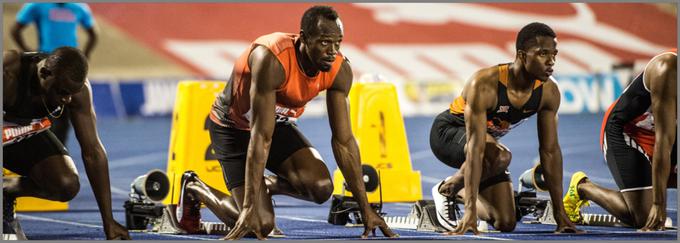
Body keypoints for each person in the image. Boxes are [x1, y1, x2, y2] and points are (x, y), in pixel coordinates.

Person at [175, 5, 397, 240]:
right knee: (260, 225)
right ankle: (194, 187)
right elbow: (261, 137)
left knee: (321, 187)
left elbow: (344, 141)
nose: (332, 51)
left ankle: (264, 188)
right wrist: (250, 208)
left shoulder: (339, 70)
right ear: (304, 39)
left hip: (276, 124)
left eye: (337, 43)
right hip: (233, 129)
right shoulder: (271, 58)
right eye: (324, 43)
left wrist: (366, 209)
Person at [428, 22, 582, 234]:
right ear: (521, 55)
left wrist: (560, 214)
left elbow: (550, 151)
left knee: (505, 222)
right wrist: (470, 212)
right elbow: (476, 148)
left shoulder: (549, 92)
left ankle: (453, 189)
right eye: (543, 54)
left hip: (487, 149)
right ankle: (452, 187)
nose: (551, 61)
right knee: (500, 156)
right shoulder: (484, 83)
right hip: (449, 134)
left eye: (554, 54)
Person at [2, 47, 129, 240]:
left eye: (71, 93)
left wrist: (108, 221)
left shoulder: (77, 91)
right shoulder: (8, 73)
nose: (67, 100)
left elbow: (92, 151)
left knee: (66, 184)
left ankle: (7, 189)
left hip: (20, 135)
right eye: (62, 92)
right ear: (45, 74)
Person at [563, 50, 677, 231]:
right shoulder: (667, 69)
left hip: (662, 131)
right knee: (643, 217)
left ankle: (646, 182)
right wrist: (658, 204)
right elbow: (663, 144)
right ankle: (583, 187)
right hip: (626, 131)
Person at [11, 2, 99, 145]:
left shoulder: (80, 8)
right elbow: (15, 29)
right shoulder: (36, 6)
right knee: (42, 112)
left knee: (65, 113)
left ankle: (58, 152)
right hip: (48, 67)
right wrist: (29, 53)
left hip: (70, 69)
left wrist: (85, 54)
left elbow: (93, 33)